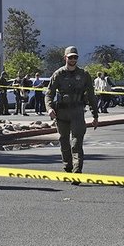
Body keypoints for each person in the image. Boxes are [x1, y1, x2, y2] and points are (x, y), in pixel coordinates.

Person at [45, 46, 99, 174]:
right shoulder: (58, 74)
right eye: (70, 57)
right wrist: (49, 108)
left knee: (76, 142)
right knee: (64, 140)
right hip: (62, 113)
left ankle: (77, 169)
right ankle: (67, 165)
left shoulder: (84, 75)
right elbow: (49, 94)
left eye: (75, 57)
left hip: (77, 112)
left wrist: (95, 116)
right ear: (65, 58)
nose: (73, 60)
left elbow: (91, 96)